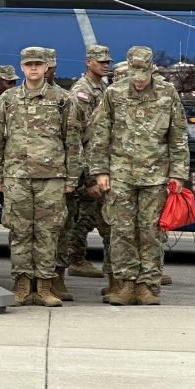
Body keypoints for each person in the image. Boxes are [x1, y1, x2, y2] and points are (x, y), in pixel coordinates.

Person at [88, 45, 188, 305]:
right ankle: (125, 284)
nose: (139, 78)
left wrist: (177, 173)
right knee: (121, 231)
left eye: (144, 72)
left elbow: (178, 135)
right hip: (120, 174)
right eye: (135, 71)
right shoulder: (114, 92)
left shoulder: (167, 93)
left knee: (151, 232)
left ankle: (148, 286)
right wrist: (99, 171)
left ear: (152, 69)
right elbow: (100, 133)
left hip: (156, 175)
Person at [0, 47, 81, 308]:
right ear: (21, 66)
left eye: (38, 64)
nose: (33, 69)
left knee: (48, 233)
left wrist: (72, 178)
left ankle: (44, 287)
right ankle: (21, 285)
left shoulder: (62, 99)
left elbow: (71, 141)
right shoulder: (8, 99)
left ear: (46, 67)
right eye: (29, 64)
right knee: (19, 232)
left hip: (51, 177)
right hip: (16, 175)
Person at [66, 44, 112, 280]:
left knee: (99, 214)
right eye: (101, 61)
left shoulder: (102, 88)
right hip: (88, 162)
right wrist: (87, 175)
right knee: (84, 214)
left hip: (98, 160)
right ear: (88, 62)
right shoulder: (82, 91)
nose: (106, 65)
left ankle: (108, 263)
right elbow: (79, 134)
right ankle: (76, 258)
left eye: (107, 62)